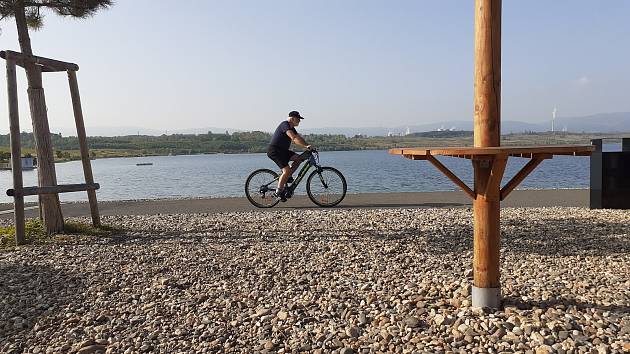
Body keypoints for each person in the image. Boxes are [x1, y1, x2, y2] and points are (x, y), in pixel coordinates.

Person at [267, 111, 312, 201]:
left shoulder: (291, 127)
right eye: (298, 119)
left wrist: (308, 145)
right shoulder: (285, 125)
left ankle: (286, 177)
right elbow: (294, 138)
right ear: (292, 119)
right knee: (286, 170)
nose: (299, 121)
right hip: (275, 151)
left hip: (283, 151)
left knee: (299, 159)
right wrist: (306, 146)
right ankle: (278, 192)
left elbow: (298, 137)